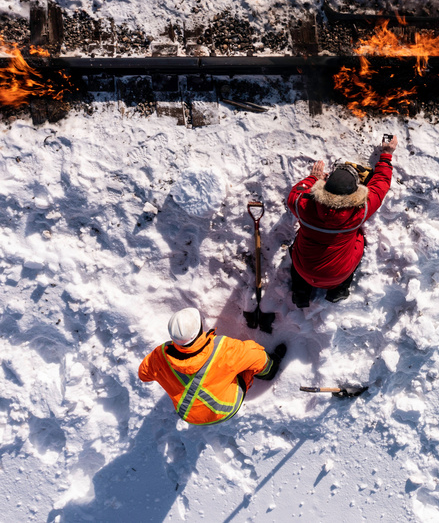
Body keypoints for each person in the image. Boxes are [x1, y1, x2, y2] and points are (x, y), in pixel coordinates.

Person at [288, 135, 397, 307]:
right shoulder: (359, 211)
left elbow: (295, 194)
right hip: (338, 274)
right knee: (358, 239)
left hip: (303, 268)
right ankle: (339, 289)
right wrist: (386, 155)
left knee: (298, 249)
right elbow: (380, 185)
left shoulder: (304, 205)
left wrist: (313, 179)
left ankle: (300, 291)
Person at [138, 307, 286, 425]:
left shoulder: (160, 356)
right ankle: (268, 373)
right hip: (224, 409)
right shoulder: (224, 349)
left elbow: (143, 375)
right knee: (244, 368)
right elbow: (257, 357)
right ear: (200, 328)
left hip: (187, 414)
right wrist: (270, 368)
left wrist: (166, 375)